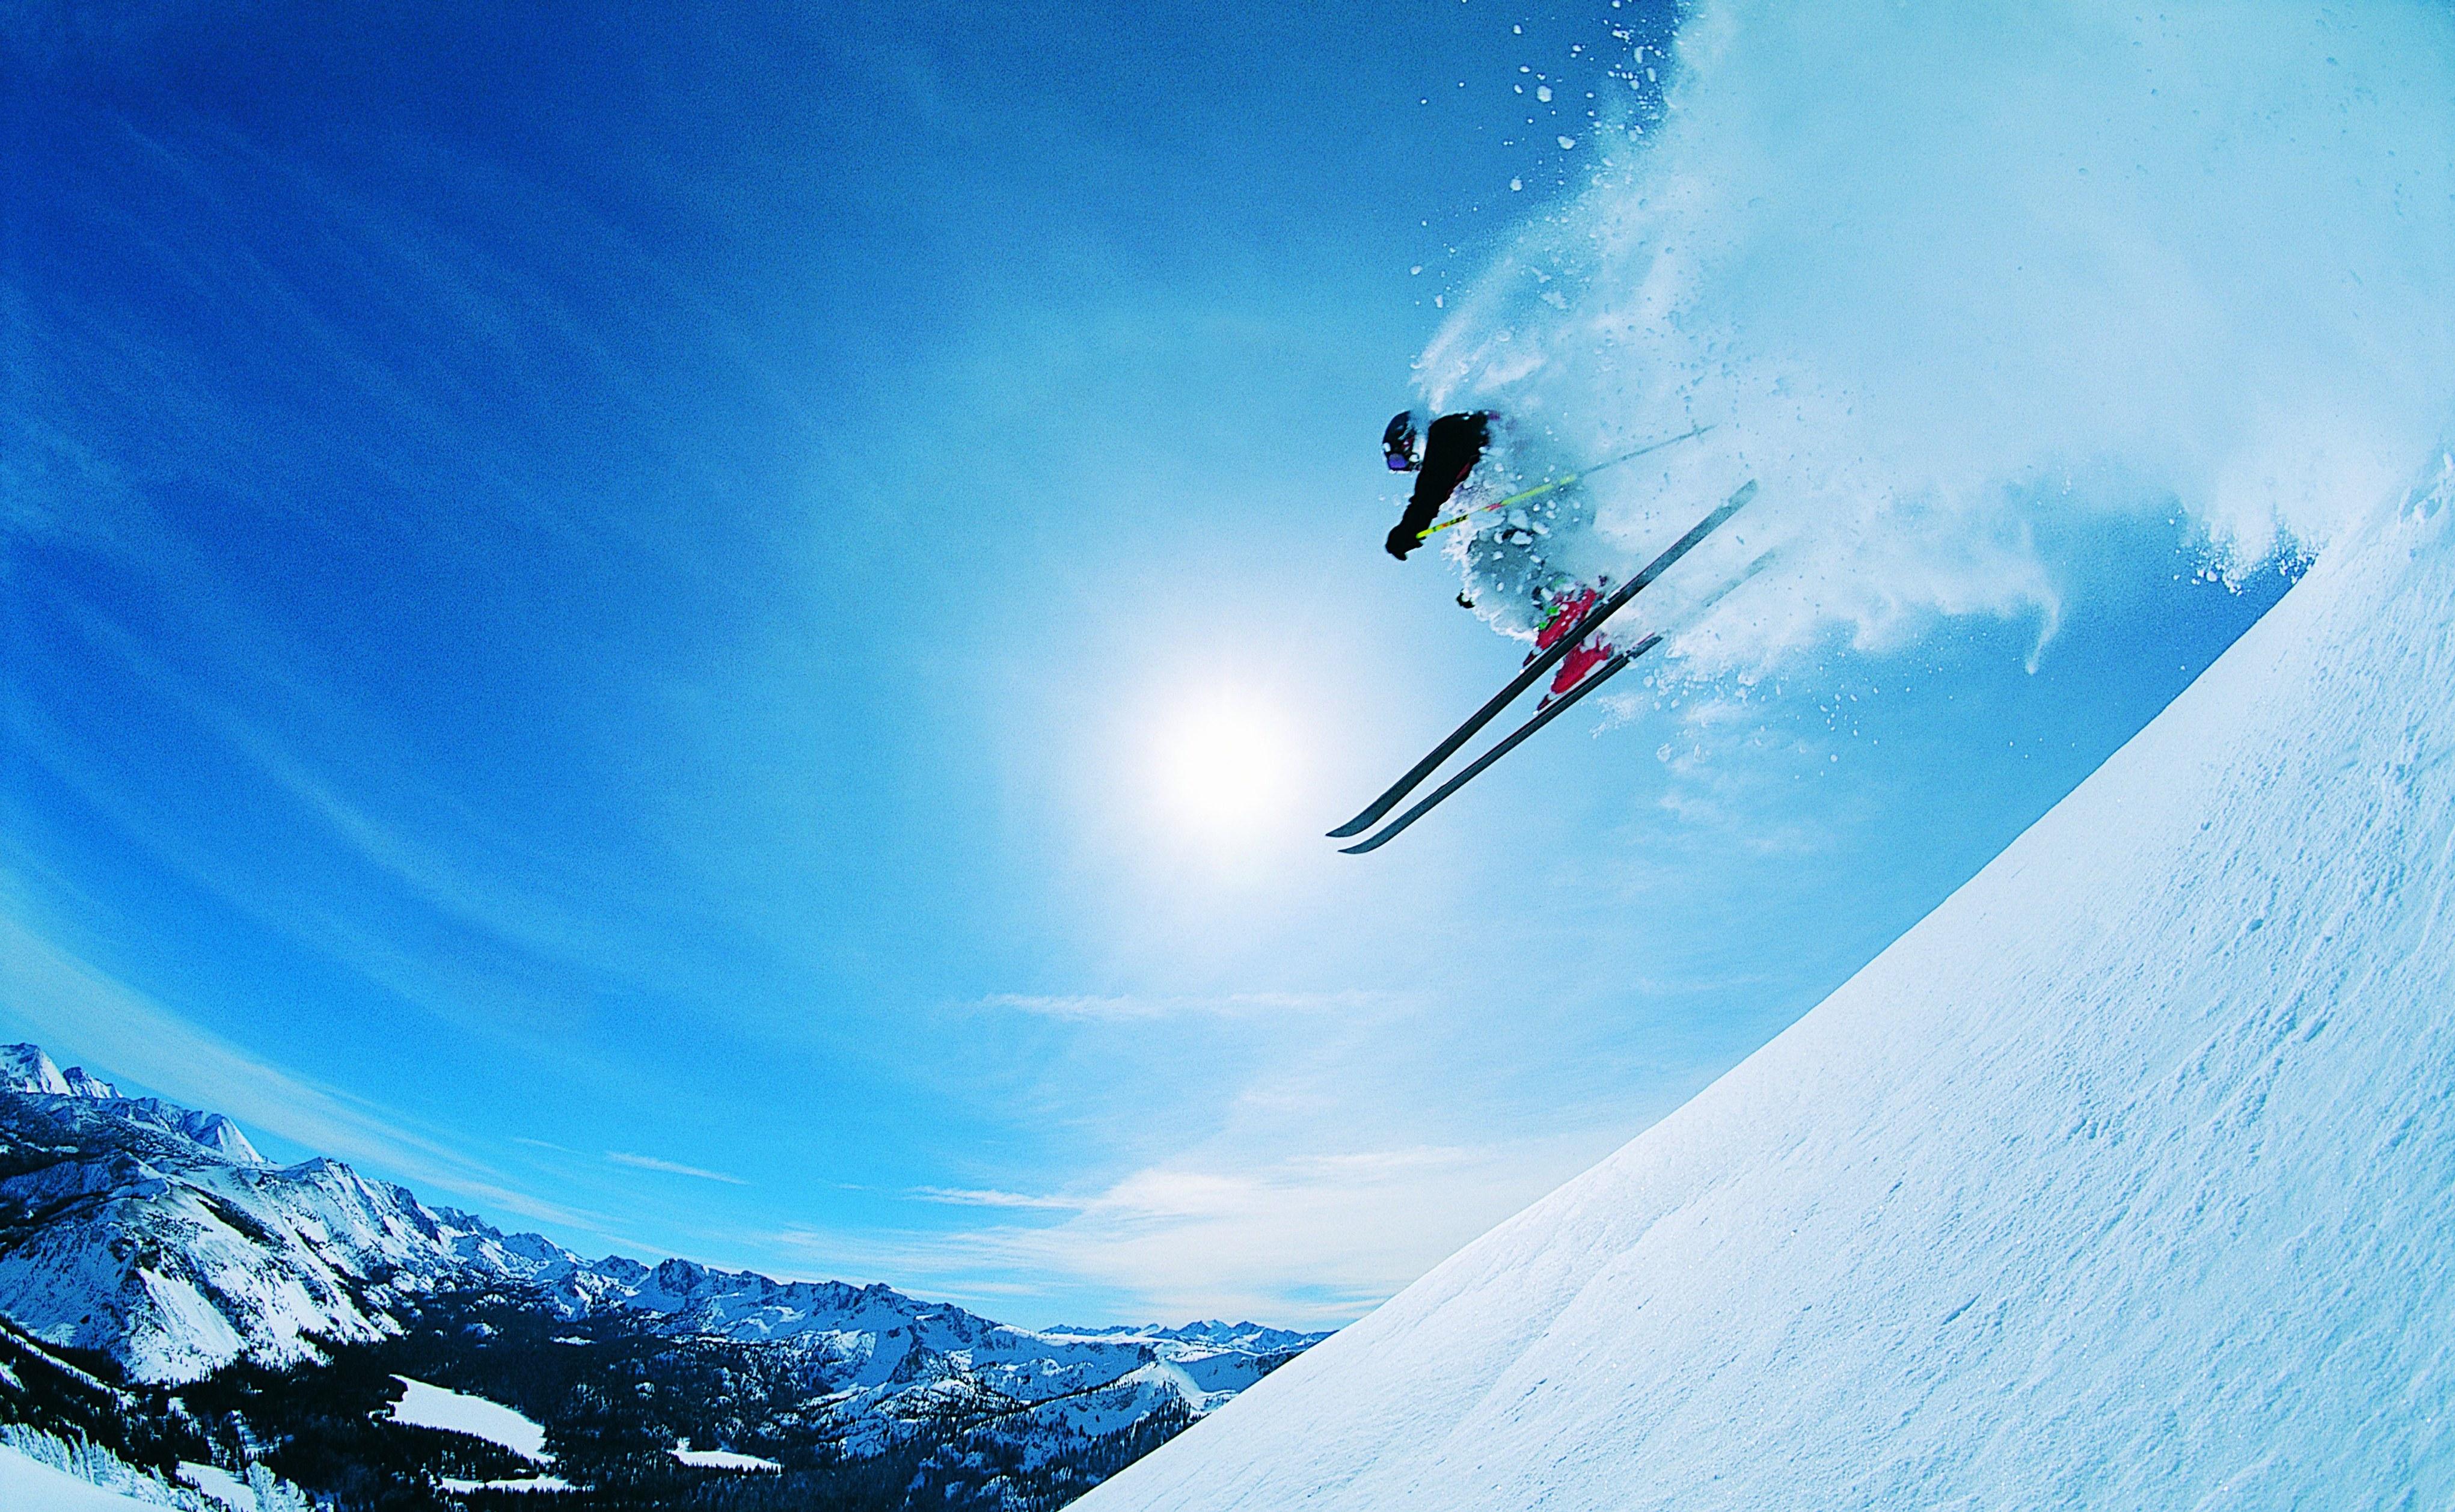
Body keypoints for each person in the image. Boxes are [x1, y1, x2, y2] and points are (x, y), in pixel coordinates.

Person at [1381, 409, 1493, 560]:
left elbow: (1431, 489)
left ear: (1409, 438)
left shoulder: (1445, 432)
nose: (1411, 466)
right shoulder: (1453, 442)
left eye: (1399, 460)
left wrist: (1408, 530)